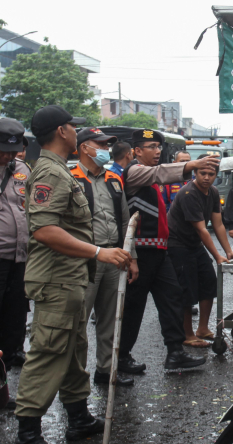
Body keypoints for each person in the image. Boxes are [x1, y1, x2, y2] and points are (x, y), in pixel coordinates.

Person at [12, 105, 132, 444]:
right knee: (49, 352)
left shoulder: (61, 169)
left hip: (72, 277)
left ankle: (78, 417)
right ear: (62, 132)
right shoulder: (50, 172)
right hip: (56, 279)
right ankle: (27, 437)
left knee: (74, 349)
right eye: (71, 126)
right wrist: (99, 252)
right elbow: (45, 230)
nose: (75, 131)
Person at [118, 129, 217, 375]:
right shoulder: (135, 172)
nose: (157, 151)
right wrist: (193, 164)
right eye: (151, 147)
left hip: (159, 252)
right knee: (133, 307)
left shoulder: (150, 177)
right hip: (140, 253)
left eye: (158, 147)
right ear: (137, 151)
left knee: (173, 297)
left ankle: (175, 352)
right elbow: (160, 173)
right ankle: (120, 358)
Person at [71, 128, 138, 387]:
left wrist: (131, 257)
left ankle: (106, 371)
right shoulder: (71, 178)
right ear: (84, 147)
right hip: (84, 258)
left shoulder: (113, 179)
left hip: (114, 256)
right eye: (99, 144)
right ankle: (75, 380)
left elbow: (125, 220)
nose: (105, 150)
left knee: (110, 320)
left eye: (106, 145)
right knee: (78, 321)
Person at [168, 156, 233, 346]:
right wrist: (217, 256)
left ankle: (203, 329)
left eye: (211, 174)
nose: (206, 177)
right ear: (195, 173)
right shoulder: (189, 193)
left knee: (208, 282)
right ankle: (187, 334)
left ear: (216, 175)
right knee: (186, 290)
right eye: (202, 173)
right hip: (177, 244)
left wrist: (228, 252)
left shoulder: (213, 192)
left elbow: (218, 224)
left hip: (195, 244)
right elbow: (202, 230)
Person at [0, 118, 31, 369]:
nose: (9, 155)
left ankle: (10, 356)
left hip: (20, 255)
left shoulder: (22, 169)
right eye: (4, 150)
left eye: (14, 150)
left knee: (16, 310)